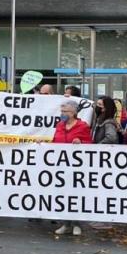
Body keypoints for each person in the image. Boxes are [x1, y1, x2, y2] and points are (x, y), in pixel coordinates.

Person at [52, 100, 91, 236]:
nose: (62, 114)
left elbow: (91, 145)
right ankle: (65, 223)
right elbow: (54, 142)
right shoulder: (59, 126)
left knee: (76, 196)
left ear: (73, 113)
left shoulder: (82, 126)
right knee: (62, 195)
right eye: (61, 112)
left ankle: (77, 224)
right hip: (61, 167)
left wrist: (81, 142)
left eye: (65, 112)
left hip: (77, 168)